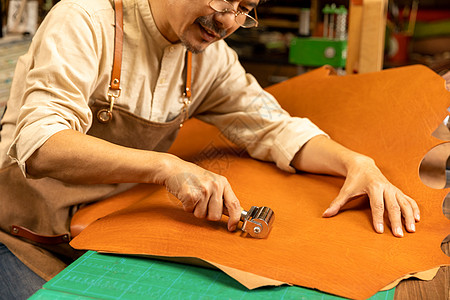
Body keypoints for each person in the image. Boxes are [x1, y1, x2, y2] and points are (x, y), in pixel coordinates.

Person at [0, 0, 420, 298]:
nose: (229, 20)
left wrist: (354, 162)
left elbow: (273, 129)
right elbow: (42, 144)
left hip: (101, 230)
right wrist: (167, 167)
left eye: (244, 8)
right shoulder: (84, 19)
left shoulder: (207, 59)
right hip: (23, 234)